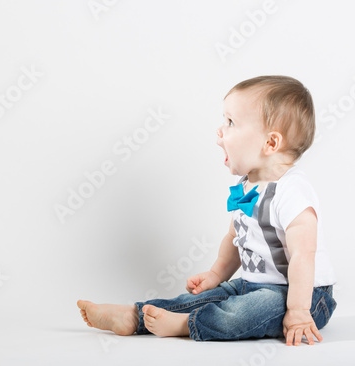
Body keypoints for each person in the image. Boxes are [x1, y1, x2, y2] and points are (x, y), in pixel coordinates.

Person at [77, 75, 337, 346]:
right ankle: (135, 315)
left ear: (270, 143)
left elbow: (303, 256)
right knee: (205, 298)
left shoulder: (292, 191)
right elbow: (235, 238)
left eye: (231, 122)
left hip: (306, 296)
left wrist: (297, 312)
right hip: (250, 284)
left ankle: (183, 325)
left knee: (248, 310)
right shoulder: (246, 186)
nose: (220, 132)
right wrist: (216, 275)